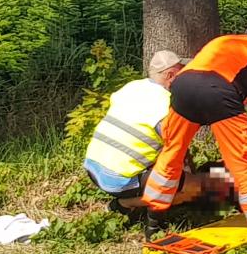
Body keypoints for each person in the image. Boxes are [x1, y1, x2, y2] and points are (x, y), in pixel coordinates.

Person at [142, 22, 247, 246]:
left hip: (183, 85)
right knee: (244, 162)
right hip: (220, 93)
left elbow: (200, 70)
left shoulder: (222, 41)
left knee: (172, 152)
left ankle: (152, 223)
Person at [84, 50, 210, 212]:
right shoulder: (168, 105)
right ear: (170, 75)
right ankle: (125, 204)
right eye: (182, 73)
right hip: (118, 179)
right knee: (195, 188)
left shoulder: (133, 87)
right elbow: (176, 149)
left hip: (93, 167)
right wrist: (188, 178)